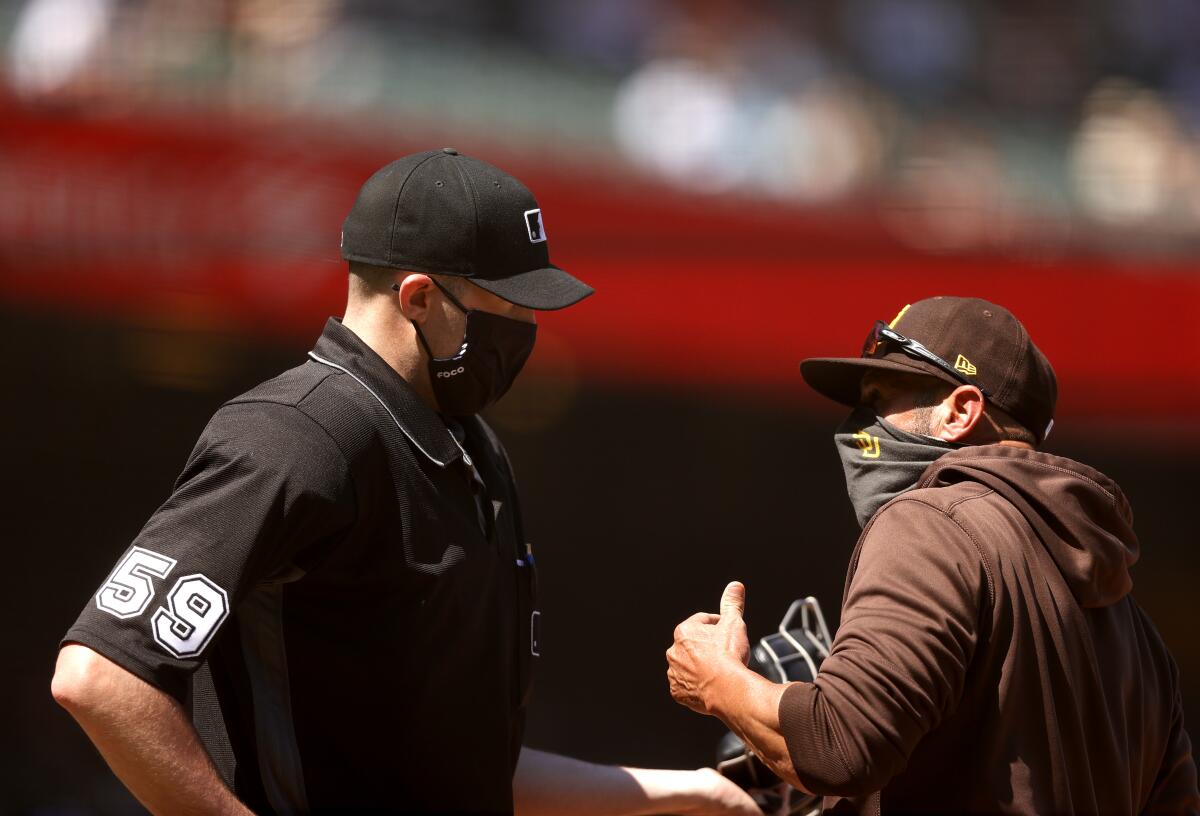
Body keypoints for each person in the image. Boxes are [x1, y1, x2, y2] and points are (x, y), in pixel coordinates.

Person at [52, 148, 758, 815]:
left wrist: (689, 793)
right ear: (419, 297)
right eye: (507, 309)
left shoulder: (472, 451)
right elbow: (100, 676)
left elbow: (465, 771)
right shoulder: (301, 433)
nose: (528, 329)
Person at [666, 296, 1200, 813]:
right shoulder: (1136, 629)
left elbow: (842, 746)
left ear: (960, 411)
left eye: (879, 399)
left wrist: (718, 678)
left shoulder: (932, 522)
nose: (857, 426)